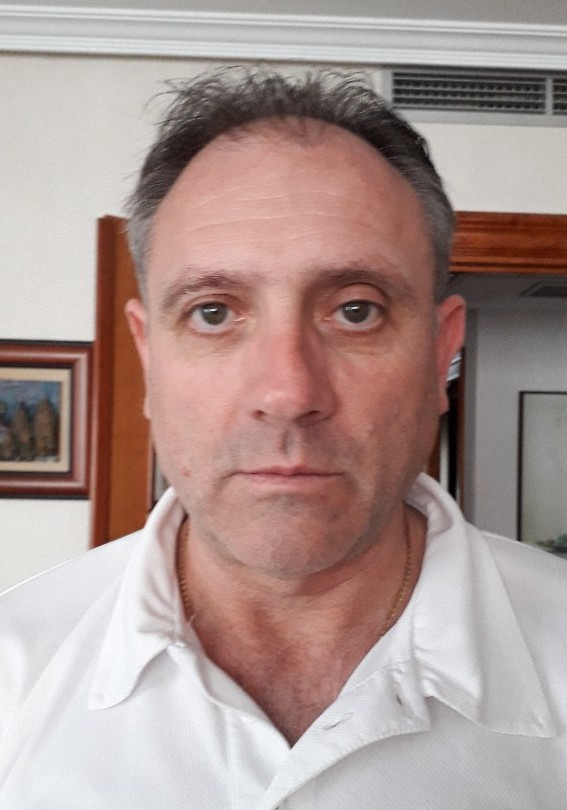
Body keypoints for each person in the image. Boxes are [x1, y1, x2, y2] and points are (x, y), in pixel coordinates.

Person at [1, 68, 566, 809]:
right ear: (148, 357)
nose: (289, 394)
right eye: (213, 312)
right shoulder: (13, 669)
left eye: (356, 310)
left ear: (440, 353)